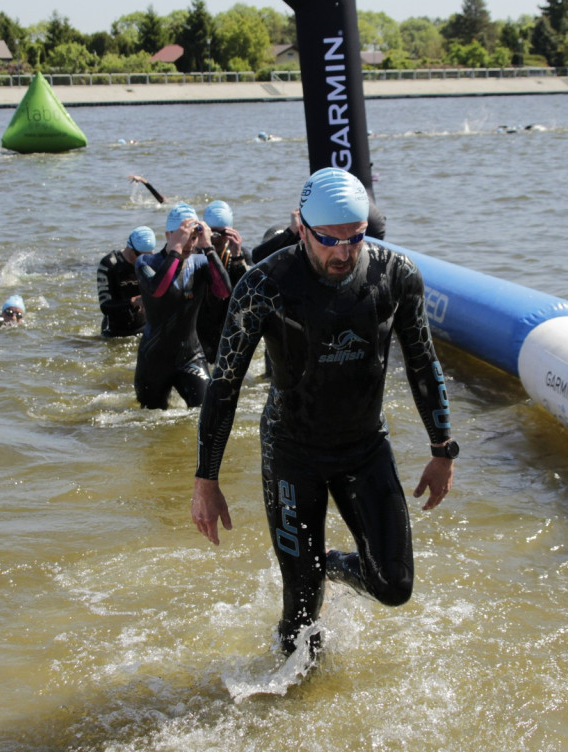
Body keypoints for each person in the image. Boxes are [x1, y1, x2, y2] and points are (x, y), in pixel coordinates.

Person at [191, 167, 457, 658]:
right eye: (328, 240)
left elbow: (423, 362)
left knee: (393, 585)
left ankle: (332, 565)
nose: (342, 252)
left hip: (364, 447)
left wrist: (442, 449)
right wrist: (206, 481)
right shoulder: (263, 285)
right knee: (299, 616)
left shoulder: (395, 275)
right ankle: (292, 714)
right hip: (293, 452)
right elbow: (224, 386)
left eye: (354, 239)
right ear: (303, 228)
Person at [134, 203, 232, 410]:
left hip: (190, 356)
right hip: (154, 360)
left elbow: (224, 291)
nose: (189, 244)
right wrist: (176, 251)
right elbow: (158, 290)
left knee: (208, 411)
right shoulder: (146, 262)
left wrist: (208, 247)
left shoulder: (199, 262)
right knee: (149, 421)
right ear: (168, 234)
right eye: (184, 237)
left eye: (193, 238)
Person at [196, 200, 250, 364]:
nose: (217, 239)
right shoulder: (194, 255)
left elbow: (247, 295)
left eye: (222, 233)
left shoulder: (240, 255)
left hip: (225, 326)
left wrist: (238, 258)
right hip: (200, 329)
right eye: (212, 233)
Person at [97, 225, 155, 337]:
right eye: (140, 255)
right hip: (115, 331)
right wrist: (131, 302)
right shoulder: (109, 264)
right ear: (130, 247)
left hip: (144, 328)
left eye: (148, 256)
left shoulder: (150, 262)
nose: (142, 260)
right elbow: (105, 306)